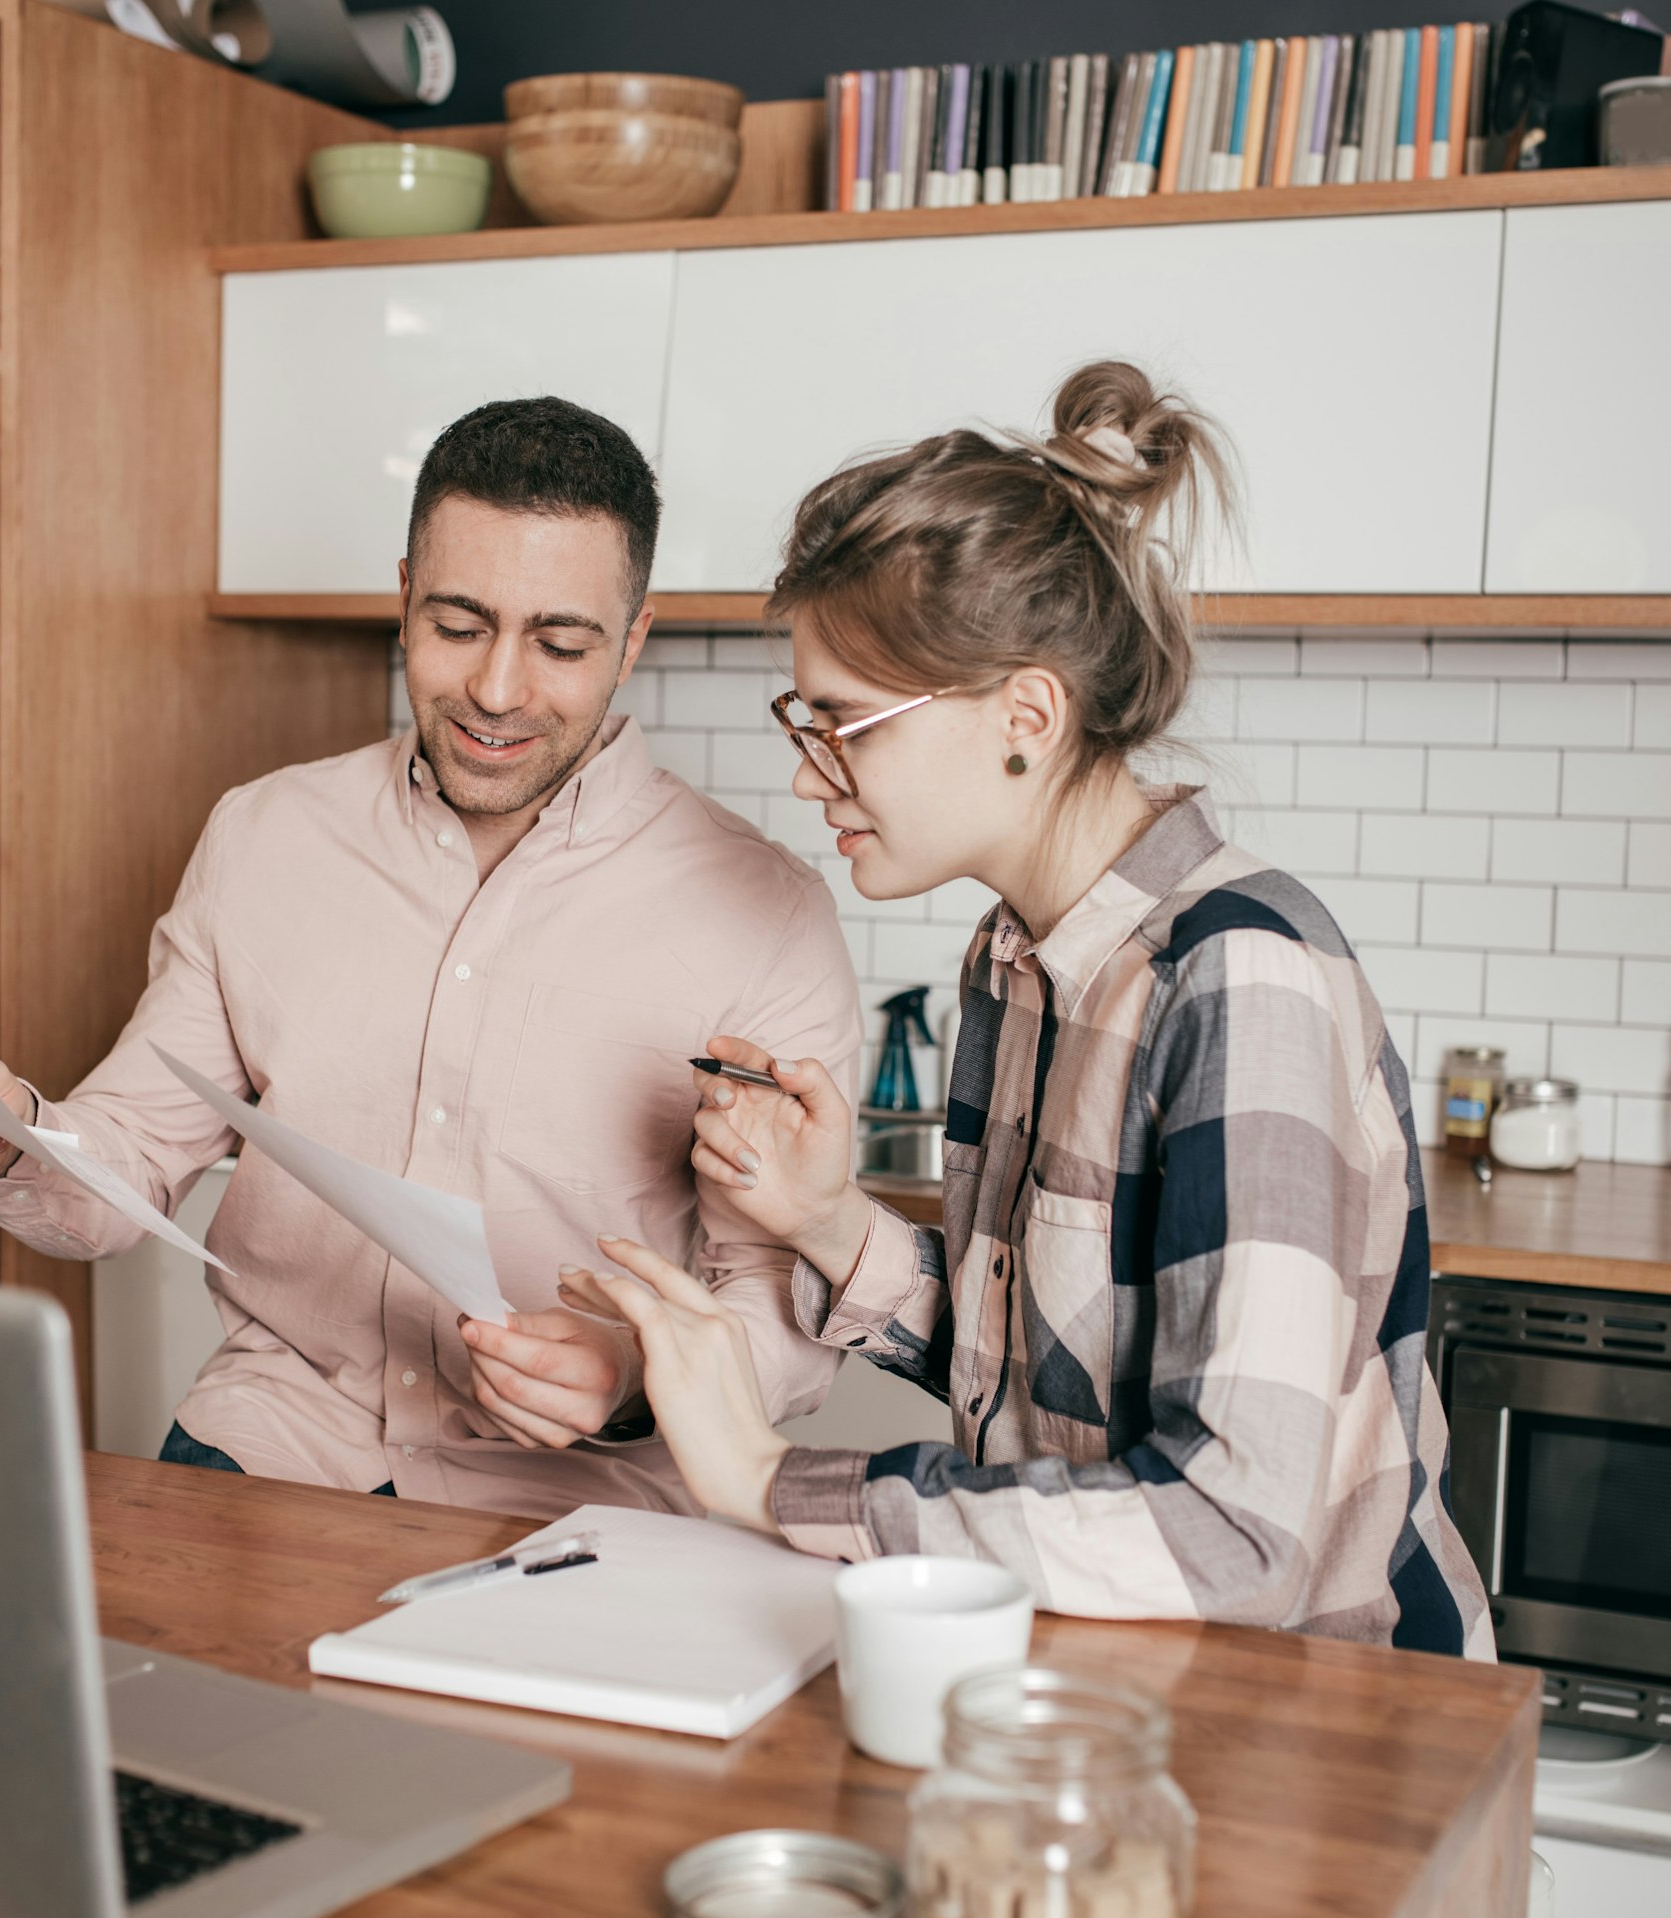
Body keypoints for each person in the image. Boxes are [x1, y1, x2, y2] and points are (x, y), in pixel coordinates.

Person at [559, 361, 1492, 1656]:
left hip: (1323, 1730)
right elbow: (1055, 1379)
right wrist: (828, 1221)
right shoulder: (1016, 962)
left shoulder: (1240, 978)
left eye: (844, 721)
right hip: (1107, 1679)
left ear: (1027, 714)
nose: (807, 764)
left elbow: (1235, 1531)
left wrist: (772, 1477)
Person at [0, 396, 861, 1518]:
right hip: (273, 1443)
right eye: (457, 624)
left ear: (632, 641)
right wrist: (4, 1134)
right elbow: (122, 1169)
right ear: (402, 599)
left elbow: (785, 1307)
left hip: (579, 1508)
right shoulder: (264, 835)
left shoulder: (765, 914)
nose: (497, 689)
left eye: (561, 643)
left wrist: (635, 1378)